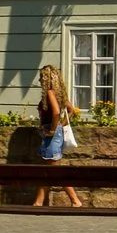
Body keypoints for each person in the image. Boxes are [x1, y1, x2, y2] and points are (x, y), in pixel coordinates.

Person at [31, 65, 83, 208]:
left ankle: (75, 201)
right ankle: (38, 202)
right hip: (54, 135)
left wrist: (53, 130)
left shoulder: (50, 93)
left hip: (51, 136)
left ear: (47, 78)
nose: (40, 79)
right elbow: (71, 110)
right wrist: (61, 125)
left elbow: (55, 112)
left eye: (42, 77)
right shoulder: (59, 94)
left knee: (55, 172)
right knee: (48, 171)